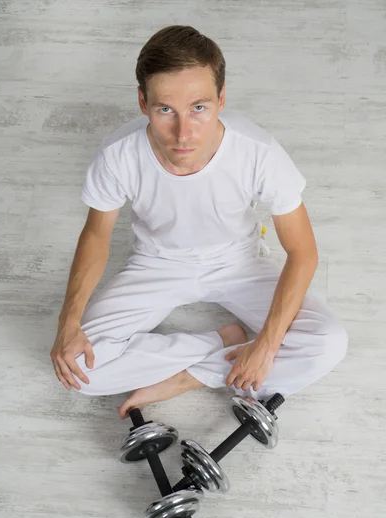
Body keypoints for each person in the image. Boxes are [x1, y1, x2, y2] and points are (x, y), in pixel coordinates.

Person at [50, 25, 348, 420]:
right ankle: (222, 344)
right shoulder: (117, 154)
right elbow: (96, 236)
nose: (183, 133)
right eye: (165, 110)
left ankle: (192, 376)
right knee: (79, 370)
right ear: (143, 103)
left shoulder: (258, 151)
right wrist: (68, 322)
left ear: (221, 99)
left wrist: (267, 345)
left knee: (328, 342)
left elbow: (303, 251)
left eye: (199, 108)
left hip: (238, 262)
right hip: (157, 263)